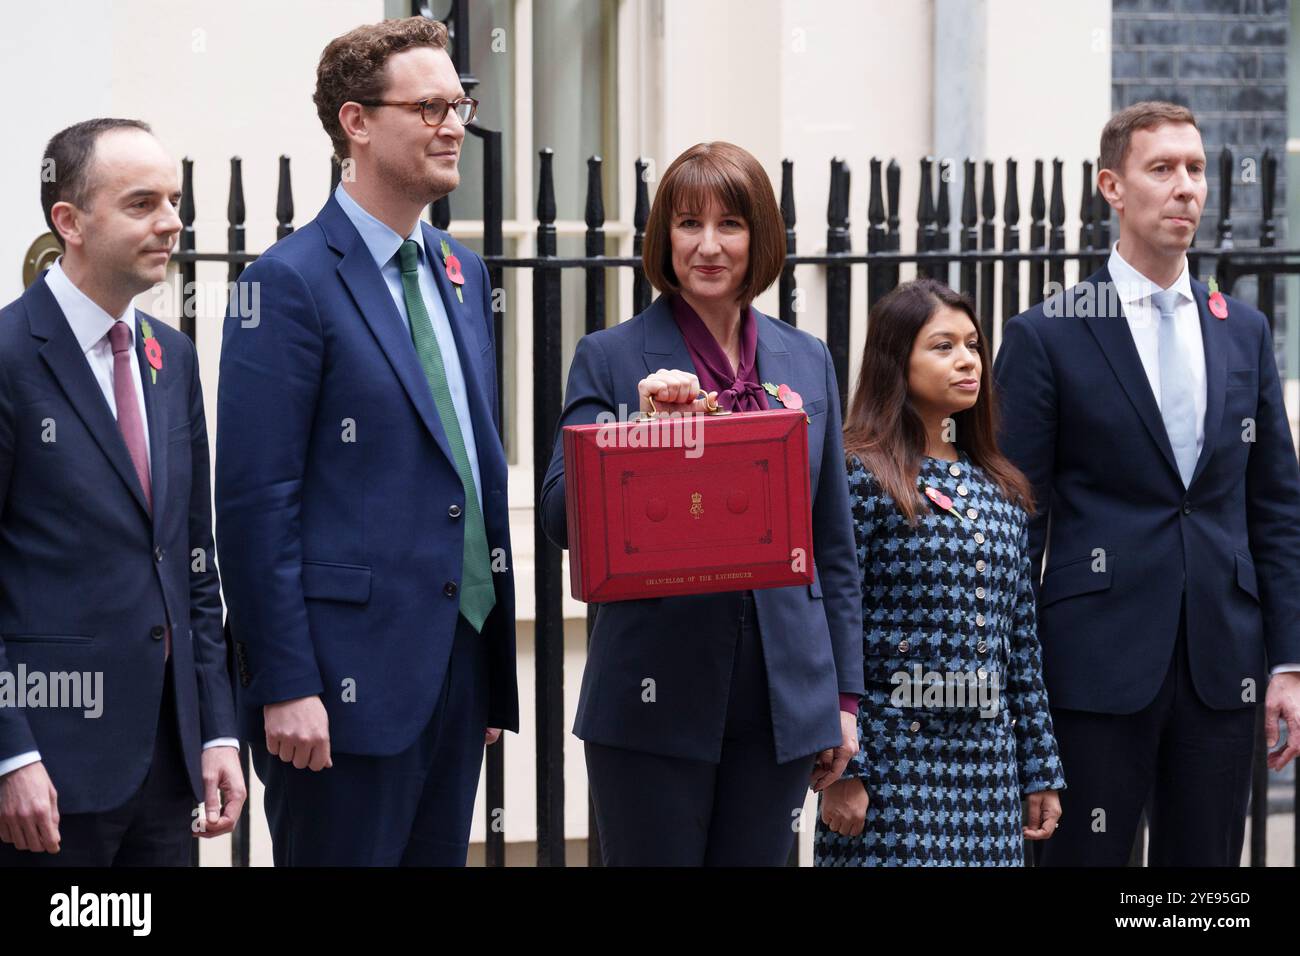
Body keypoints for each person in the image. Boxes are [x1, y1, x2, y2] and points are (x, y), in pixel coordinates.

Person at [215, 17, 517, 866]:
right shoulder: (285, 284)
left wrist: (486, 666)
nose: (454, 124)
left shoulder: (465, 275)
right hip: (336, 692)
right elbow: (253, 505)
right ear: (355, 123)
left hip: (455, 668)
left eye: (461, 102)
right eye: (428, 106)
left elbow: (470, 469)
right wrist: (287, 683)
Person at [539, 141, 863, 866]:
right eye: (688, 224)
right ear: (664, 238)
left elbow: (832, 547)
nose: (709, 246)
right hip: (652, 700)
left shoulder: (806, 358)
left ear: (761, 239)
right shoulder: (610, 356)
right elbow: (561, 517)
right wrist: (640, 435)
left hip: (783, 702)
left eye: (731, 225)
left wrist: (843, 700)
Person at [995, 101, 1300, 866]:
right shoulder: (1048, 334)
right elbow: (1012, 525)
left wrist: (1289, 663)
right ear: (1113, 187)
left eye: (1195, 169)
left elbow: (1276, 508)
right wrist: (1011, 686)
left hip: (1220, 668)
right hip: (1092, 670)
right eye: (1161, 169)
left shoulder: (1245, 330)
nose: (1185, 187)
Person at [0, 118, 244, 865]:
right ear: (67, 222)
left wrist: (217, 728)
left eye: (174, 201)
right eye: (143, 203)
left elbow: (192, 563)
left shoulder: (170, 356)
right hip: (48, 772)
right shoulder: (10, 357)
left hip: (169, 769)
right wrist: (10, 755)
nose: (172, 221)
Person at [815, 279, 1064, 866]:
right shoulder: (859, 475)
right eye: (943, 346)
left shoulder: (1002, 488)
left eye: (973, 345)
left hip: (989, 774)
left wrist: (1039, 768)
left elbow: (1020, 647)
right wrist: (847, 771)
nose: (967, 361)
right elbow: (829, 627)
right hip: (890, 770)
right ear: (896, 360)